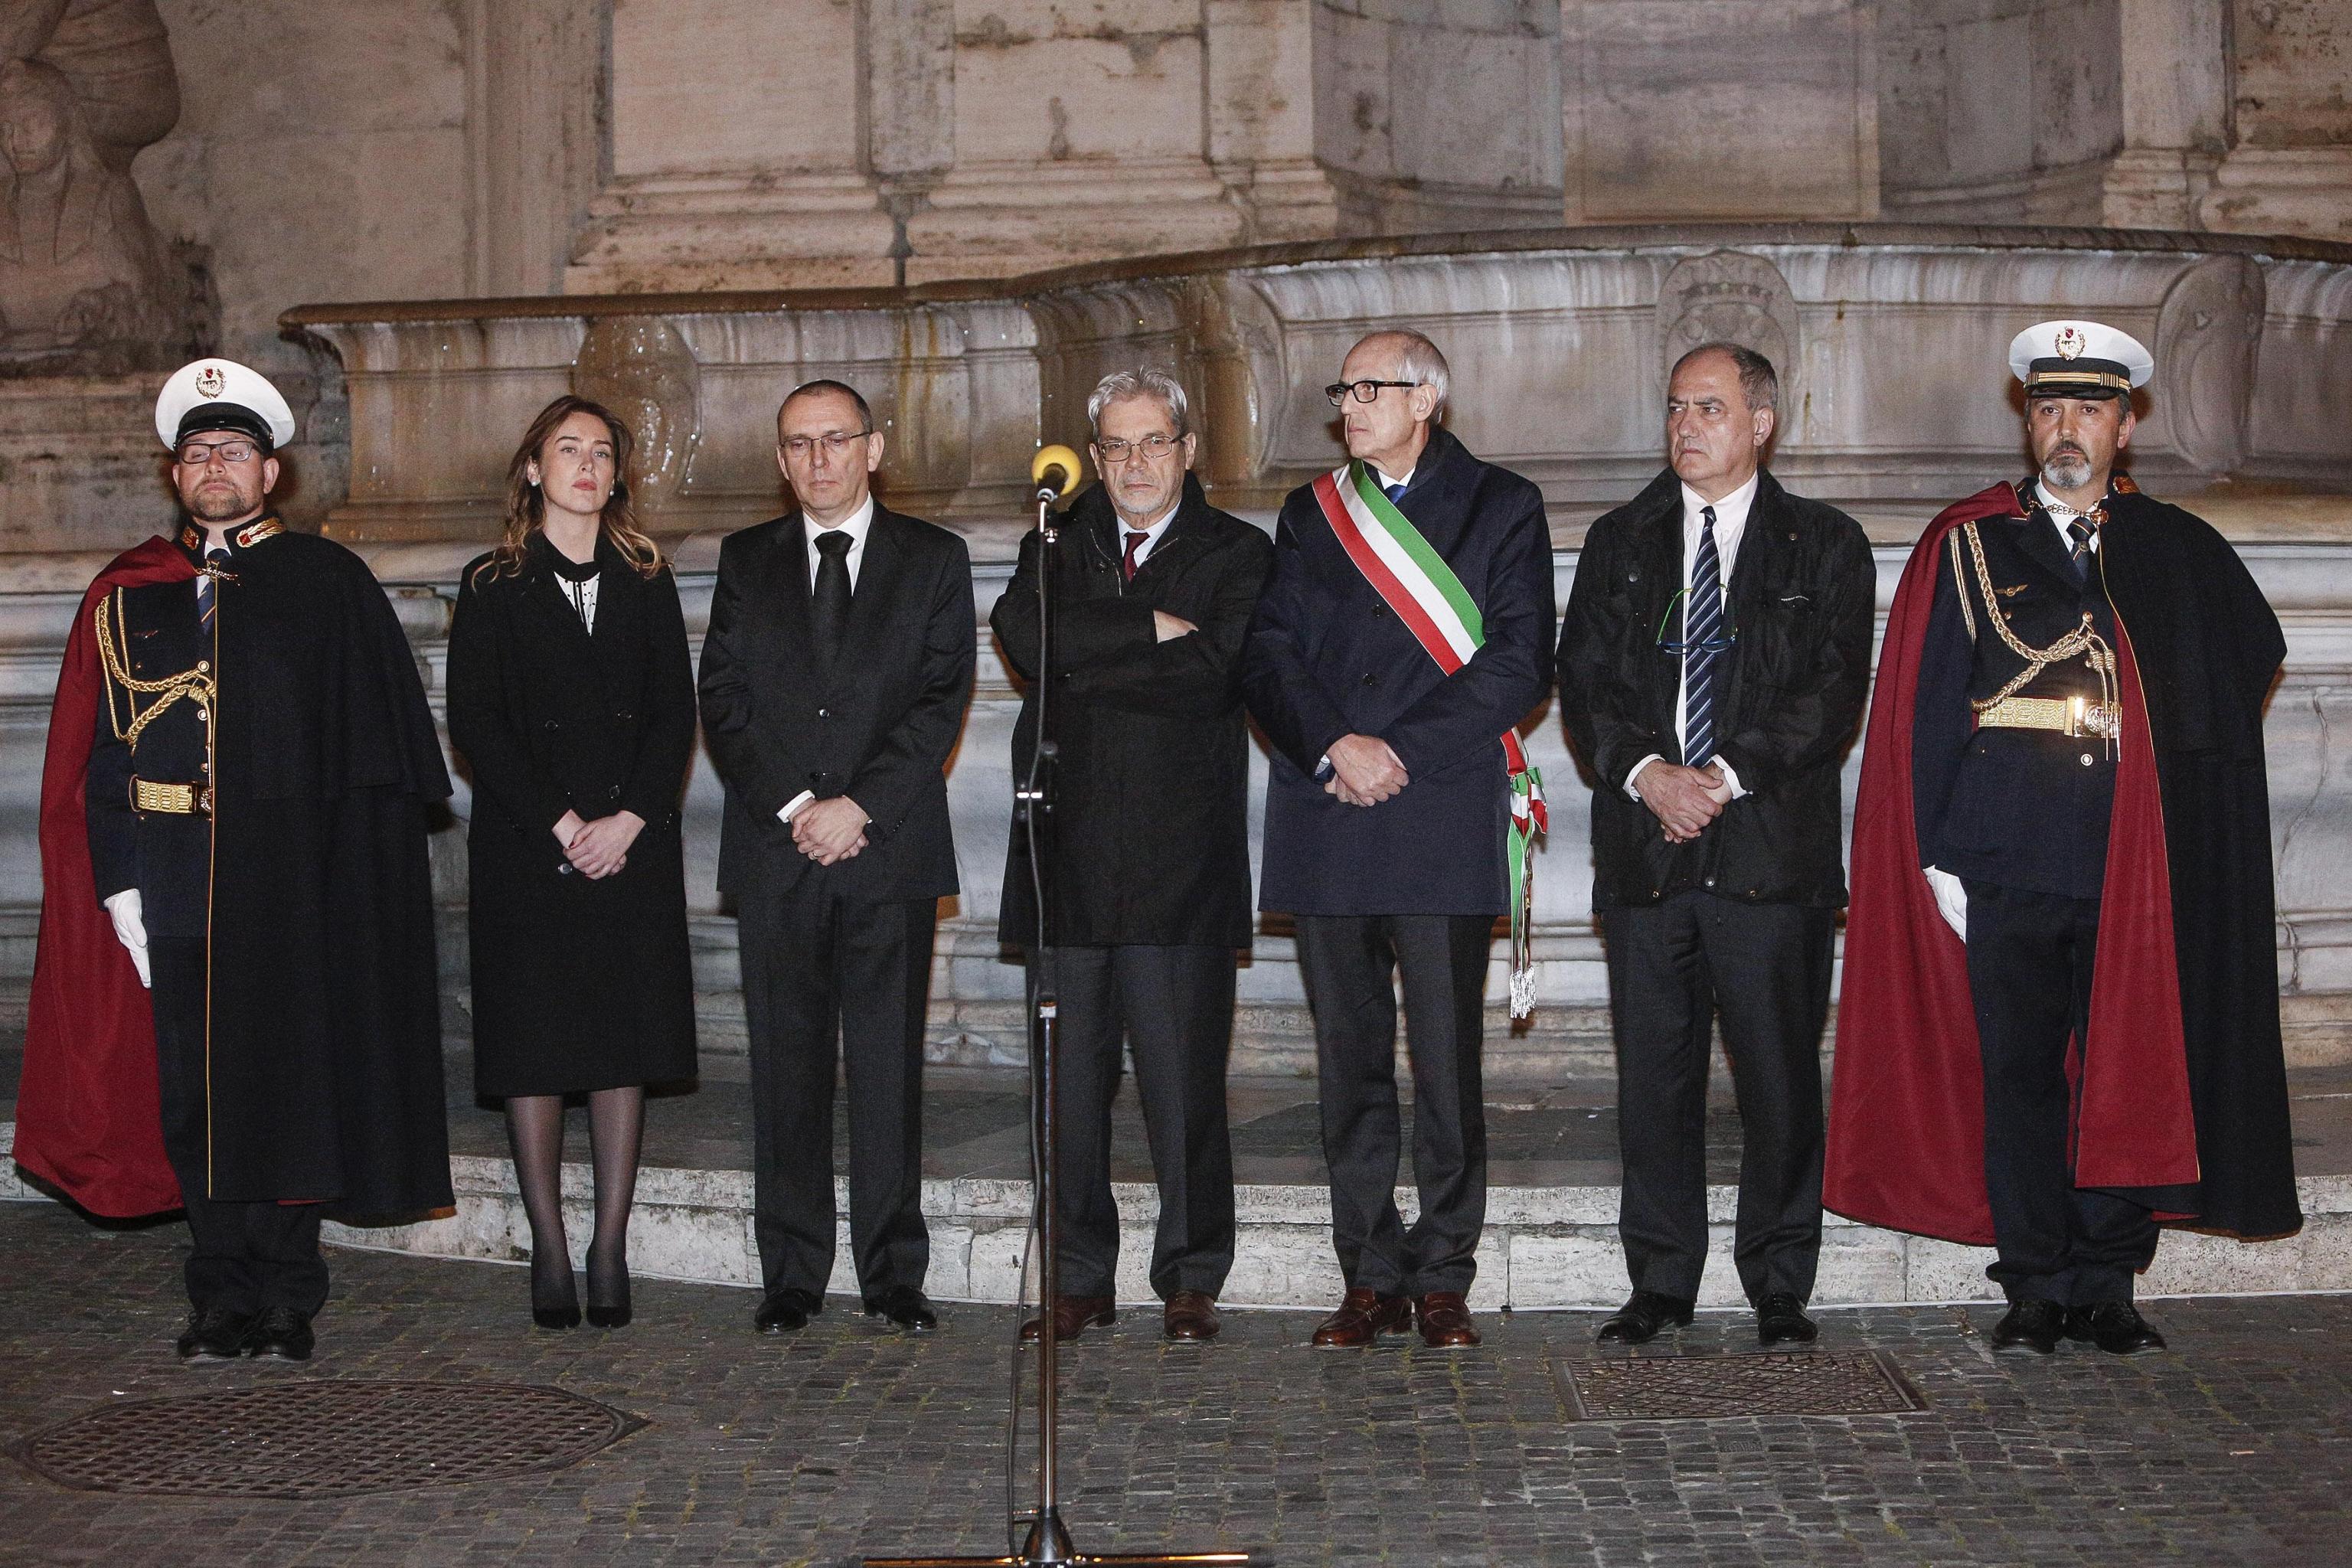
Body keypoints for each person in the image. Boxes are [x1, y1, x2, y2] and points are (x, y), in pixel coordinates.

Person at [1826, 320, 2301, 1355]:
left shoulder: (2174, 548)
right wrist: (1939, 854)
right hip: (2009, 849)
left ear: (2126, 427)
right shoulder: (1971, 543)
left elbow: (2248, 649)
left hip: (2137, 856)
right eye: (2049, 409)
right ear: (2028, 423)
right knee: (2023, 1076)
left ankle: (2108, 1281)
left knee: (2128, 1066)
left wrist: (2190, 768)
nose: (2067, 429)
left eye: (2089, 409)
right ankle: (2037, 1282)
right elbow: (1927, 707)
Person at [13, 357, 452, 1364]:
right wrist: (119, 881)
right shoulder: (127, 597)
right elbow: (100, 754)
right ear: (176, 475)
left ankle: (289, 1290)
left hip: (293, 877)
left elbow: (372, 755)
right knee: (193, 1091)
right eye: (200, 452)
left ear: (270, 473)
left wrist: (344, 873)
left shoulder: (327, 586)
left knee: (290, 1079)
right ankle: (219, 1290)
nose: (217, 466)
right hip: (170, 876)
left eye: (236, 451)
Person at [1557, 343, 1875, 1347]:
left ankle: (1779, 1280)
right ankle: (1660, 1281)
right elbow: (1585, 682)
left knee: (1778, 1077)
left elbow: (1832, 690)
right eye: (1675, 407)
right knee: (1655, 1081)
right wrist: (1649, 773)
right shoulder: (1620, 540)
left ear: (1761, 423)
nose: (1685, 426)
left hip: (1768, 859)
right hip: (1647, 855)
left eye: (1709, 407)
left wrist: (1723, 777)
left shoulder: (1826, 544)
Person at [1241, 330, 1553, 1351]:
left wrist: (1397, 750)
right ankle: (1369, 1273)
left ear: (1426, 399)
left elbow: (1519, 660)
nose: (1348, 407)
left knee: (1446, 1064)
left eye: (1368, 389)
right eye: (1343, 391)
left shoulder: (1503, 505)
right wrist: (1336, 743)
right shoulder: (1311, 512)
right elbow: (1269, 649)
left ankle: (1445, 1272)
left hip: (1437, 810)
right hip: (1329, 807)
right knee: (1350, 1062)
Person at [993, 369, 1272, 1346]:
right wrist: (1144, 628)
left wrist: (1080, 659)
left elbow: (1215, 672)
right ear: (1094, 456)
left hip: (1178, 861)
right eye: (1116, 445)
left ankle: (1191, 1275)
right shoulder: (1055, 539)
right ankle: (1078, 1277)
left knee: (1181, 1085)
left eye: (1155, 441)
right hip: (1064, 852)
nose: (1136, 462)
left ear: (1188, 448)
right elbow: (1020, 634)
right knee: (1067, 1092)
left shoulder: (1237, 550)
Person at [698, 378, 976, 1336]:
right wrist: (796, 806)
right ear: (781, 460)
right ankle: (792, 1271)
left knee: (889, 1068)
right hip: (777, 849)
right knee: (786, 1067)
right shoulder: (746, 559)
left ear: (874, 448)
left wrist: (858, 805)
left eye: (835, 439)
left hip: (886, 846)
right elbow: (724, 699)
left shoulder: (934, 558)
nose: (818, 458)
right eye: (799, 443)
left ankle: (893, 1272)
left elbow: (941, 696)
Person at [446, 395, 698, 1331]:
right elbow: (477, 721)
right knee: (536, 1041)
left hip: (631, 844)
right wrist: (563, 822)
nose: (586, 466)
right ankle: (551, 1247)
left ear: (616, 474)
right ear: (534, 467)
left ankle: (610, 1245)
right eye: (568, 449)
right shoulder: (492, 581)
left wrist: (629, 819)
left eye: (601, 452)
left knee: (622, 1037)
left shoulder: (647, 575)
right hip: (530, 845)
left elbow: (674, 711)